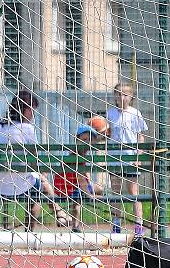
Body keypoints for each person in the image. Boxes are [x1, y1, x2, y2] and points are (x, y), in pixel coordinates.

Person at [0, 90, 75, 231]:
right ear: (25, 109)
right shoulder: (27, 128)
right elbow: (34, 158)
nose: (33, 114)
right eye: (32, 110)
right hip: (20, 184)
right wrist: (42, 173)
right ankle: (36, 227)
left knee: (39, 180)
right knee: (40, 184)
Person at [52, 117, 110, 231]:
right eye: (83, 139)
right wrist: (89, 194)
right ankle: (76, 226)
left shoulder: (81, 154)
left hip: (72, 185)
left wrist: (91, 187)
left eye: (89, 140)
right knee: (78, 199)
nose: (86, 143)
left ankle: (76, 224)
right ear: (77, 140)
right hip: (66, 188)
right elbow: (80, 179)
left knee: (99, 189)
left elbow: (84, 176)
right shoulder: (76, 155)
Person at [107, 82, 149, 235]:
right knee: (115, 192)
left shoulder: (135, 113)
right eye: (118, 94)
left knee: (133, 191)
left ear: (131, 97)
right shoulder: (110, 113)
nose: (121, 97)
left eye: (125, 94)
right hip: (114, 158)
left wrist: (138, 156)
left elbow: (140, 136)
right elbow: (107, 133)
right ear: (114, 96)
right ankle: (116, 223)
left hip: (130, 158)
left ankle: (139, 225)